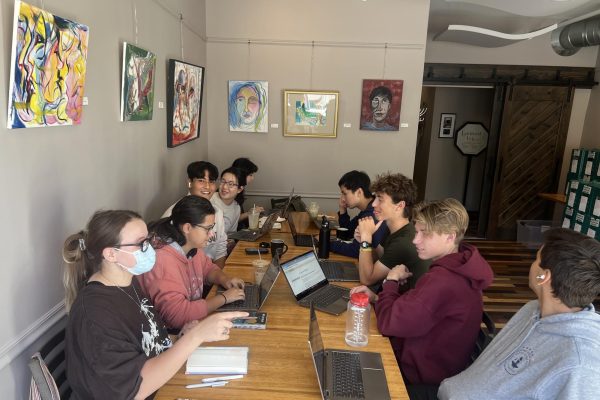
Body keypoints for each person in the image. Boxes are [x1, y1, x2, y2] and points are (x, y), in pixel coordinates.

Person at [63, 210, 246, 399]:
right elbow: (134, 388)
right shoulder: (95, 314)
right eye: (141, 243)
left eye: (148, 240)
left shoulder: (128, 282)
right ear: (111, 254)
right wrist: (195, 337)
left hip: (163, 384)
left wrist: (181, 337)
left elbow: (150, 343)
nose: (150, 248)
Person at [438, 228, 600, 400]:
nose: (532, 264)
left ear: (544, 277)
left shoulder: (580, 363)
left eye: (536, 259)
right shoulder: (533, 309)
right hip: (448, 390)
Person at [351, 198, 493, 393]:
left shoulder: (444, 280)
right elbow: (421, 310)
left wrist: (390, 282)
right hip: (435, 365)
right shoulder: (458, 265)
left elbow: (389, 323)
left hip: (419, 380)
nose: (416, 240)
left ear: (450, 237)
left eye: (424, 233)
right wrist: (378, 298)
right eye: (416, 232)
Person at [139, 196, 246, 330]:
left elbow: (208, 268)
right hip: (172, 335)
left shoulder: (190, 246)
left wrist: (224, 279)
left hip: (191, 323)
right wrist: (223, 298)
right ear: (187, 228)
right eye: (207, 229)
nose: (211, 234)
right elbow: (178, 317)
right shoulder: (162, 261)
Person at [356, 172, 429, 288]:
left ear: (400, 206)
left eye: (380, 199)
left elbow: (367, 279)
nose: (374, 204)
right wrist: (366, 241)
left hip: (402, 303)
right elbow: (382, 258)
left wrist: (366, 239)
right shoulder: (394, 227)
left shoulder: (403, 242)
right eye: (375, 198)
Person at [163, 161, 227, 268]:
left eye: (211, 181)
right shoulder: (173, 215)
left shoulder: (217, 211)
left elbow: (220, 247)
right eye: (201, 180)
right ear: (189, 182)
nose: (207, 186)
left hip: (211, 274)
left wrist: (219, 277)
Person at [330, 170, 388, 258]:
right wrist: (343, 210)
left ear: (359, 192)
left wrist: (326, 243)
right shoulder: (365, 210)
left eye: (345, 194)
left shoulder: (371, 214)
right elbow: (348, 232)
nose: (342, 198)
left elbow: (355, 250)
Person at [211, 167, 247, 232]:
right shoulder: (210, 199)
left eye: (230, 184)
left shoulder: (236, 208)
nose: (224, 187)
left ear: (240, 189)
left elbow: (231, 236)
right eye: (223, 181)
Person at [231, 157, 263, 229]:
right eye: (250, 175)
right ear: (242, 174)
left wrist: (252, 212)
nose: (252, 178)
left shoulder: (239, 189)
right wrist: (250, 213)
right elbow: (232, 220)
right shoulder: (230, 191)